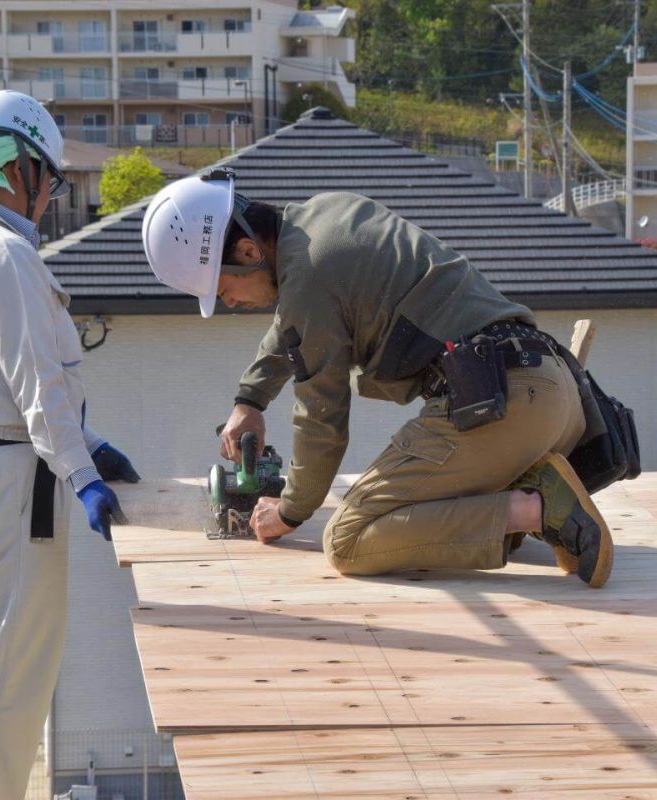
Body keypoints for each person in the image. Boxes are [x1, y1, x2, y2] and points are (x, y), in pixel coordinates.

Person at [141, 169, 613, 588]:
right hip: (551, 393)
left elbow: (321, 418)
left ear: (247, 251)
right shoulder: (323, 216)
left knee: (348, 539)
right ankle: (527, 489)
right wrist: (251, 399)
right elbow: (296, 324)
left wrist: (288, 511)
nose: (231, 303)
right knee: (424, 523)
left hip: (501, 405)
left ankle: (538, 508)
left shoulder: (308, 279)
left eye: (224, 289)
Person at [0, 90, 140, 800]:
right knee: (6, 669)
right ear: (20, 169)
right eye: (50, 179)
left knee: (6, 663)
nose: (48, 199)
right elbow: (35, 380)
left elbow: (12, 382)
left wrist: (87, 443)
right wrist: (81, 471)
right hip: (4, 474)